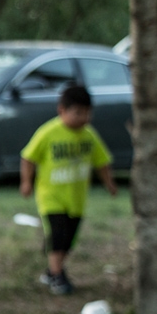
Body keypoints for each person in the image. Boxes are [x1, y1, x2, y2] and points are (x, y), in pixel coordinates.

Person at [19, 85, 117, 295]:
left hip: (76, 199)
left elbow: (102, 162)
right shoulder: (48, 133)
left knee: (69, 239)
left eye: (88, 113)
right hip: (51, 197)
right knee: (58, 234)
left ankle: (51, 270)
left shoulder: (89, 136)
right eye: (78, 113)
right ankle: (58, 276)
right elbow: (28, 157)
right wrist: (26, 182)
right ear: (62, 110)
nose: (84, 118)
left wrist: (110, 183)